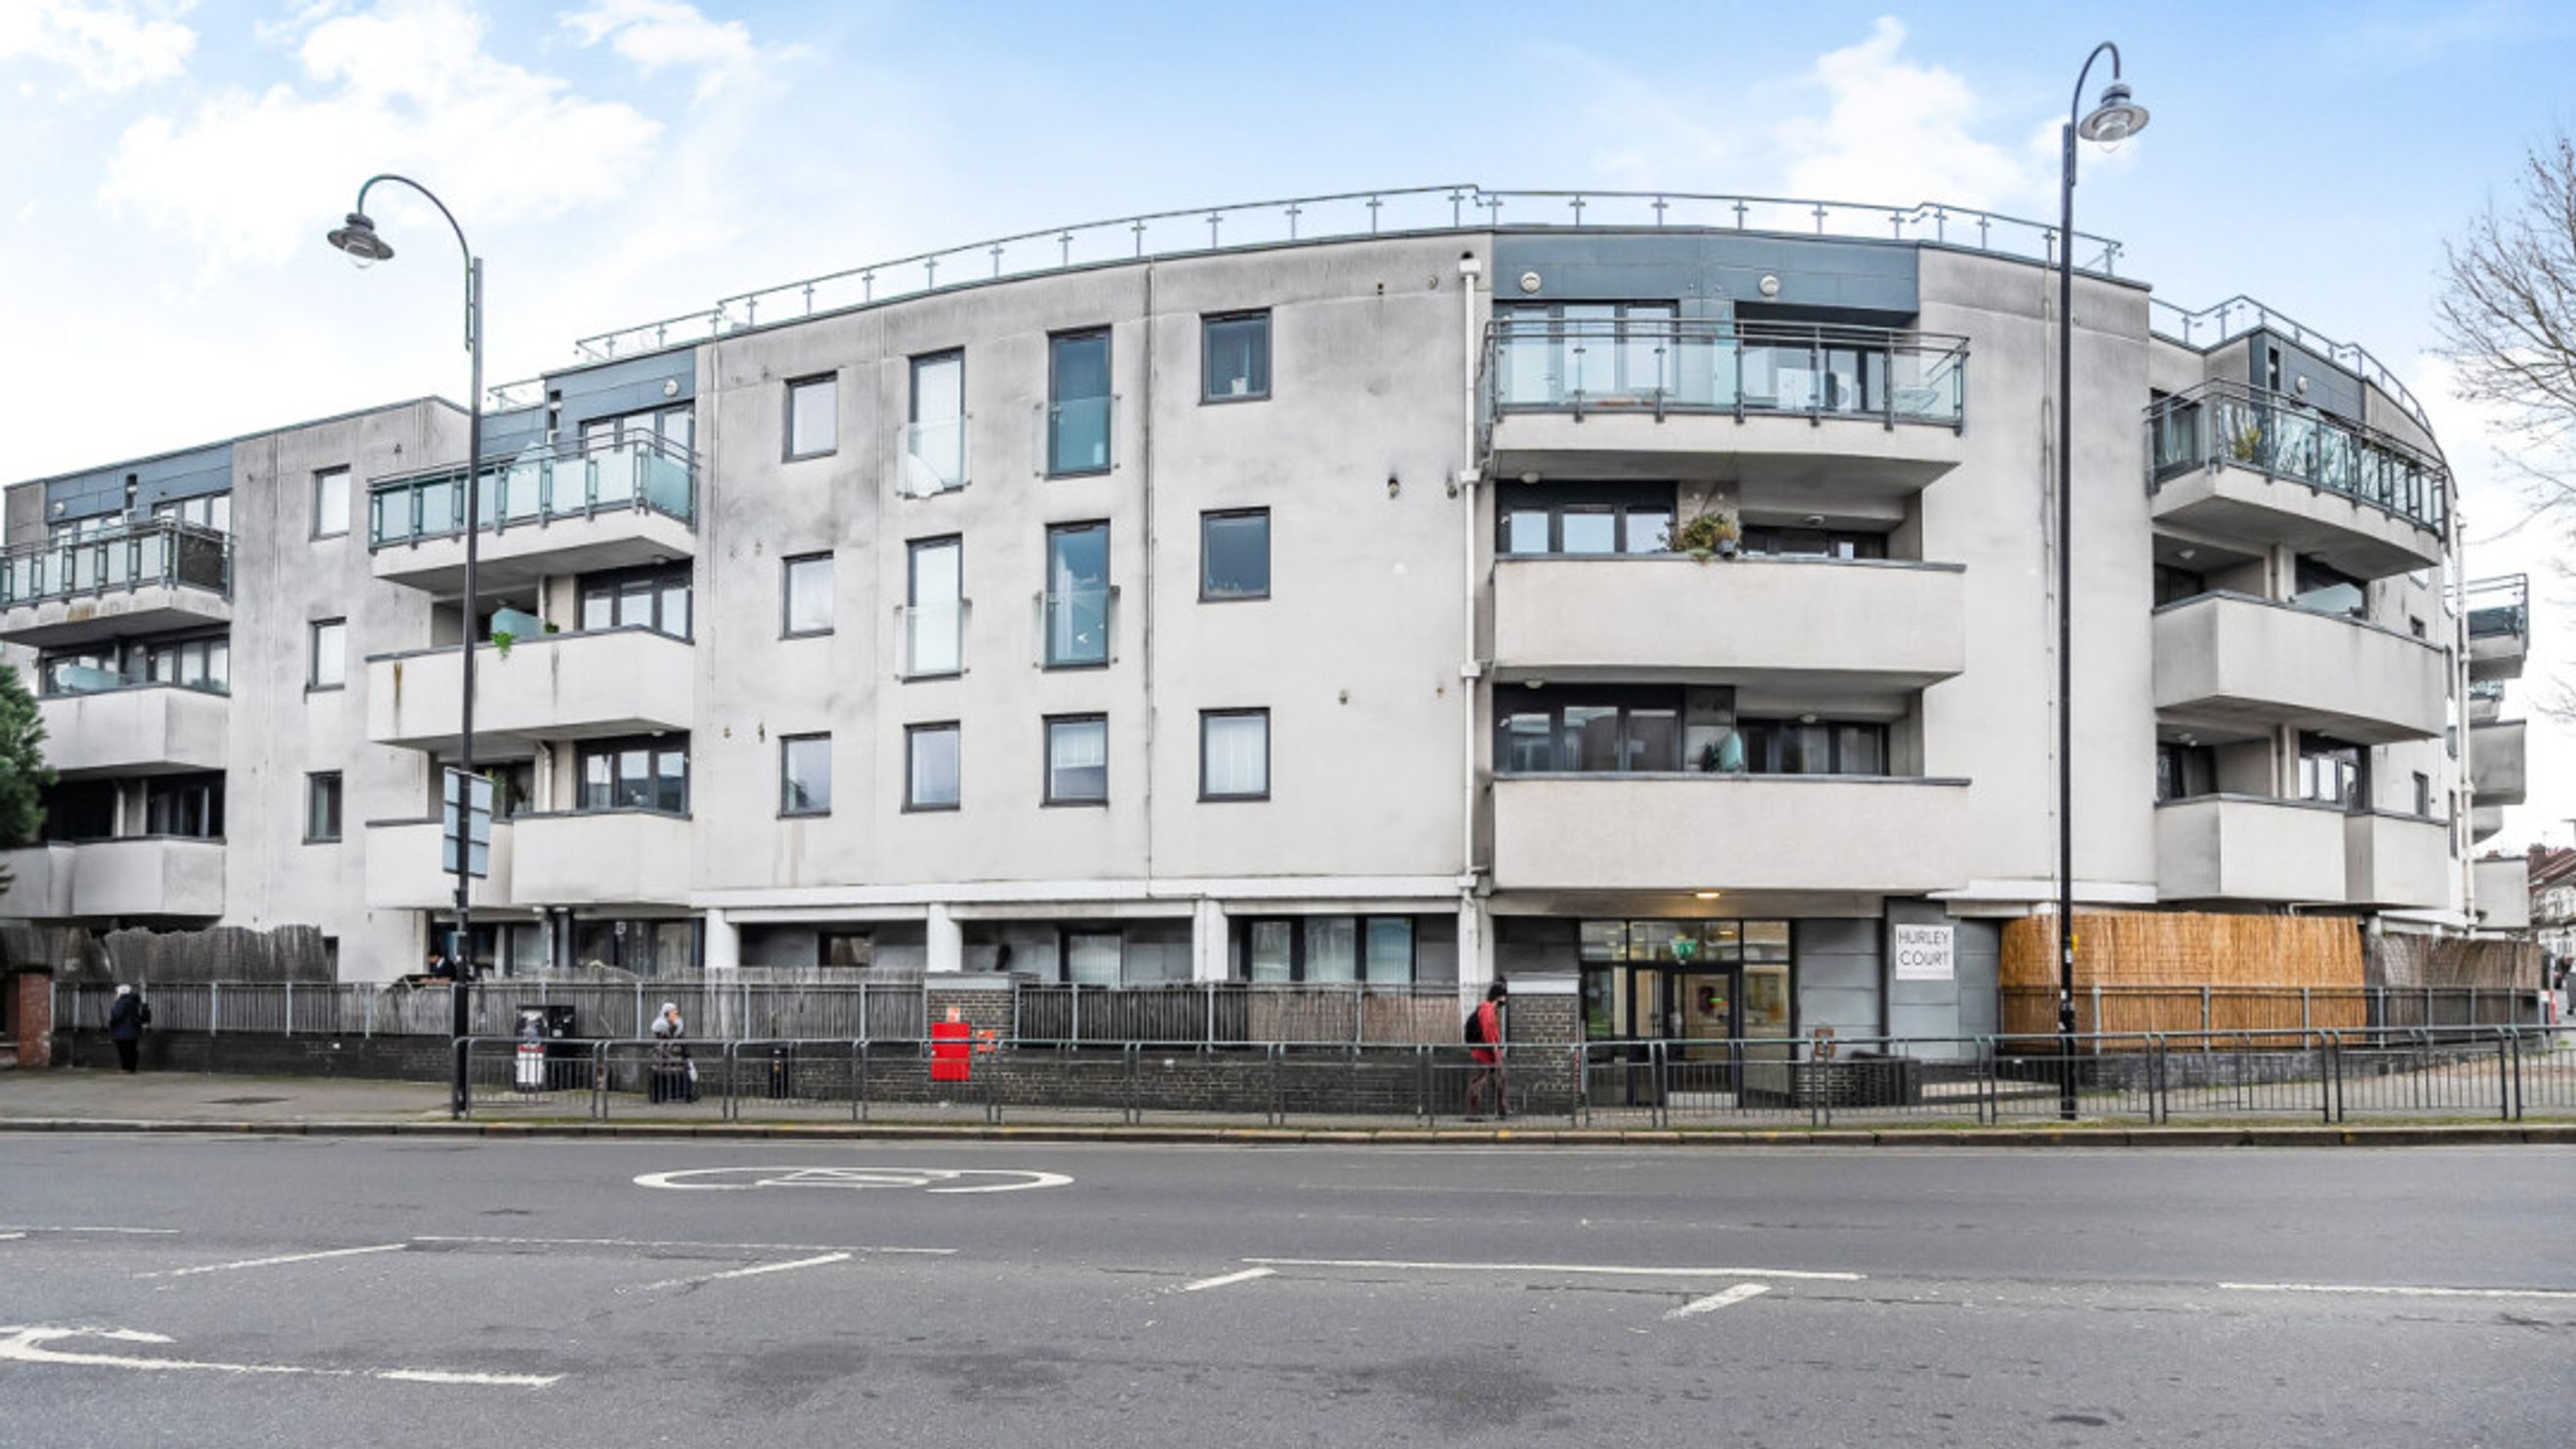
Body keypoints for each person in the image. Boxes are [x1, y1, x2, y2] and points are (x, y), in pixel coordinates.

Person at [1465, 981, 1509, 1120]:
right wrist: (1495, 1051)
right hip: (1485, 1054)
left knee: (1499, 1081)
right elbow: (1489, 1032)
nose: (1505, 999)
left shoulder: (1487, 1009)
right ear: (1499, 996)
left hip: (1487, 1052)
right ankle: (1472, 1114)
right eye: (1504, 996)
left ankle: (1502, 1111)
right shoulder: (1487, 1010)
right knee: (1478, 1082)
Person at [649, 1001, 694, 1104]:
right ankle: (659, 1096)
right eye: (673, 1013)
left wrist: (686, 1056)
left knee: (683, 1072)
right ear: (666, 1013)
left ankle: (684, 1094)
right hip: (662, 1061)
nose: (676, 1015)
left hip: (676, 1060)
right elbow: (657, 1046)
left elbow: (684, 1046)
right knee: (659, 1073)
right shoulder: (659, 1028)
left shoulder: (679, 1028)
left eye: (676, 1013)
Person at [105, 984, 151, 1074]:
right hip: (134, 1030)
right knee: (132, 1050)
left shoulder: (122, 1002)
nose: (115, 995)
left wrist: (111, 1023)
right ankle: (131, 1068)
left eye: (116, 992)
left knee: (123, 1050)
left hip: (122, 1031)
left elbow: (117, 1015)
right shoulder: (135, 1002)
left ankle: (125, 1068)